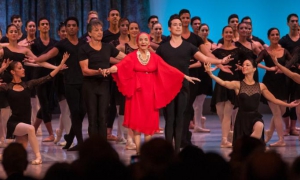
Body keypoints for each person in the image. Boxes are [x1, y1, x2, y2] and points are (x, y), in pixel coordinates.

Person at [102, 32, 200, 154]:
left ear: (149, 43)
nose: (143, 42)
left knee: (149, 122)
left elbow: (168, 68)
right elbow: (120, 66)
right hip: (136, 92)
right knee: (137, 121)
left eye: (145, 40)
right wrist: (109, 69)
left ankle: (146, 152)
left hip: (150, 93)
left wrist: (184, 75)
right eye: (141, 40)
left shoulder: (154, 57)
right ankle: (138, 152)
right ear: (137, 42)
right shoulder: (132, 56)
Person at [156, 14, 232, 152]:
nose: (178, 27)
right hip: (166, 87)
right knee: (170, 118)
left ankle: (178, 148)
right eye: (175, 25)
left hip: (184, 86)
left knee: (180, 118)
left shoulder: (189, 47)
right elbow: (155, 65)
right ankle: (167, 150)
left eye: (180, 24)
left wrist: (220, 62)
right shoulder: (163, 47)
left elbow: (203, 58)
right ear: (169, 28)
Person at [204, 59, 299, 146]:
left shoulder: (261, 86)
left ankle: (248, 147)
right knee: (242, 147)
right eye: (243, 65)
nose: (244, 66)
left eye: (247, 65)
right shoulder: (237, 84)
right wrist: (210, 74)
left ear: (254, 69)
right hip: (242, 119)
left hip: (255, 116)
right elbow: (224, 83)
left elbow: (274, 100)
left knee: (260, 125)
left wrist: (289, 105)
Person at [26, 17, 87, 151]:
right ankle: (80, 143)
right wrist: (36, 59)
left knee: (83, 110)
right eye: (69, 25)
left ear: (77, 28)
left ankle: (70, 137)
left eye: (73, 25)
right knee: (75, 112)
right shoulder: (62, 45)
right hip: (69, 82)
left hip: (83, 82)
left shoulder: (83, 43)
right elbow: (47, 55)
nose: (71, 27)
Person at [0, 53, 69, 165]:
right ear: (13, 72)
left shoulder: (28, 84)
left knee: (18, 152)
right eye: (20, 68)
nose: (23, 69)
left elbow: (48, 77)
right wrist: (2, 68)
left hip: (25, 122)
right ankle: (38, 157)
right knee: (31, 128)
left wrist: (60, 64)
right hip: (14, 122)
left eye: (22, 67)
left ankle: (3, 156)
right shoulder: (7, 87)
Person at [79, 19, 125, 139]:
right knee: (93, 117)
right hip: (90, 86)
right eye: (96, 30)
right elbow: (85, 70)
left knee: (103, 117)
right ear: (89, 33)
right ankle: (93, 146)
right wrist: (98, 71)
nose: (100, 32)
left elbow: (125, 58)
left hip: (104, 85)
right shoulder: (84, 49)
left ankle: (103, 146)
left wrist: (139, 57)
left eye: (100, 30)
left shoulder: (107, 47)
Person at [211, 26, 247, 148]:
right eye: (226, 32)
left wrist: (242, 68)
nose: (228, 34)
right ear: (222, 34)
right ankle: (228, 133)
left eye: (231, 32)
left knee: (228, 112)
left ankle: (224, 140)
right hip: (221, 81)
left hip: (234, 81)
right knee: (219, 111)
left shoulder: (238, 50)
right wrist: (214, 67)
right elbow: (207, 59)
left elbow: (249, 62)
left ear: (233, 34)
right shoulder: (217, 51)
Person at [256, 28, 292, 146]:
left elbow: (292, 63)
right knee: (276, 113)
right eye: (272, 35)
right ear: (268, 37)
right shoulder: (265, 51)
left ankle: (270, 132)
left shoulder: (284, 51)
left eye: (277, 34)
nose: (275, 36)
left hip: (283, 83)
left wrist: (283, 69)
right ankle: (281, 140)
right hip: (270, 84)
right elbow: (254, 62)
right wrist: (268, 68)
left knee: (281, 111)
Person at [279, 13, 300, 137]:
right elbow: (281, 55)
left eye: (296, 21)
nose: (295, 23)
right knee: (285, 100)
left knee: (296, 100)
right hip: (286, 74)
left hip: (298, 74)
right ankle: (286, 127)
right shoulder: (284, 40)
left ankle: (293, 127)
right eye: (292, 21)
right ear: (288, 23)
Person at [53, 22, 71, 146]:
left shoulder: (73, 46)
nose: (65, 33)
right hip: (60, 81)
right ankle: (68, 137)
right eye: (62, 31)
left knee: (66, 110)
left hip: (72, 80)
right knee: (65, 109)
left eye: (66, 30)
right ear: (58, 33)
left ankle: (59, 132)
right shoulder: (56, 47)